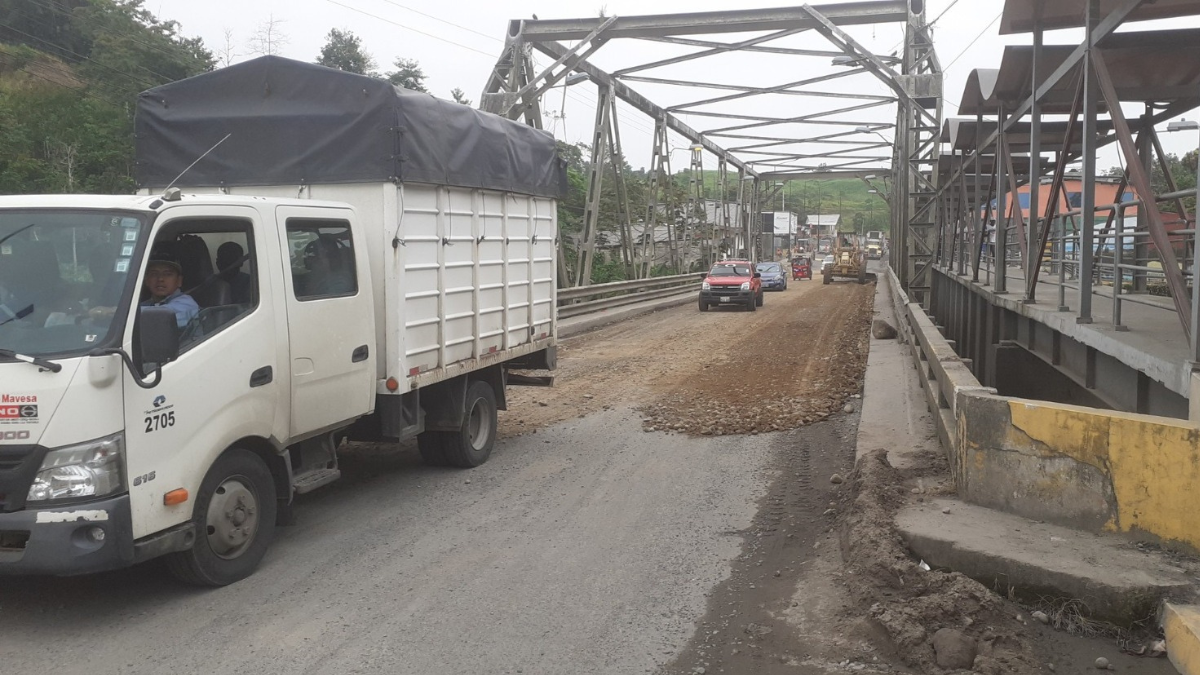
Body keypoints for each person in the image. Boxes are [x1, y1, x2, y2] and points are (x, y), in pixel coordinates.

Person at [141, 251, 199, 328]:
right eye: (154, 274)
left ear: (179, 281)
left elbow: (160, 317)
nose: (160, 279)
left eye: (167, 274)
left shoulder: (187, 304)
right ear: (146, 280)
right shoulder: (144, 305)